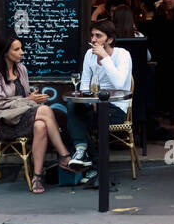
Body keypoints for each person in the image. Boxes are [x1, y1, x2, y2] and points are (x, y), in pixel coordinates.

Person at [0, 33, 82, 194]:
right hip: (6, 124)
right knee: (44, 110)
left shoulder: (21, 69)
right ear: (5, 52)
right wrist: (29, 99)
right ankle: (65, 156)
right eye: (17, 49)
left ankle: (37, 177)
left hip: (23, 118)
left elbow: (24, 98)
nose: (22, 52)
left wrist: (33, 97)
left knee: (40, 125)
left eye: (21, 48)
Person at [52, 20, 134, 170]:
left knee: (77, 122)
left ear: (110, 40)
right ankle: (83, 152)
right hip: (94, 104)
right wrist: (90, 102)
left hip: (116, 108)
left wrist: (105, 58)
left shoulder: (123, 55)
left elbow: (120, 84)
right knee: (73, 107)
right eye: (92, 36)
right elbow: (84, 84)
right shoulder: (89, 54)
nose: (94, 40)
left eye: (98, 36)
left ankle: (93, 164)